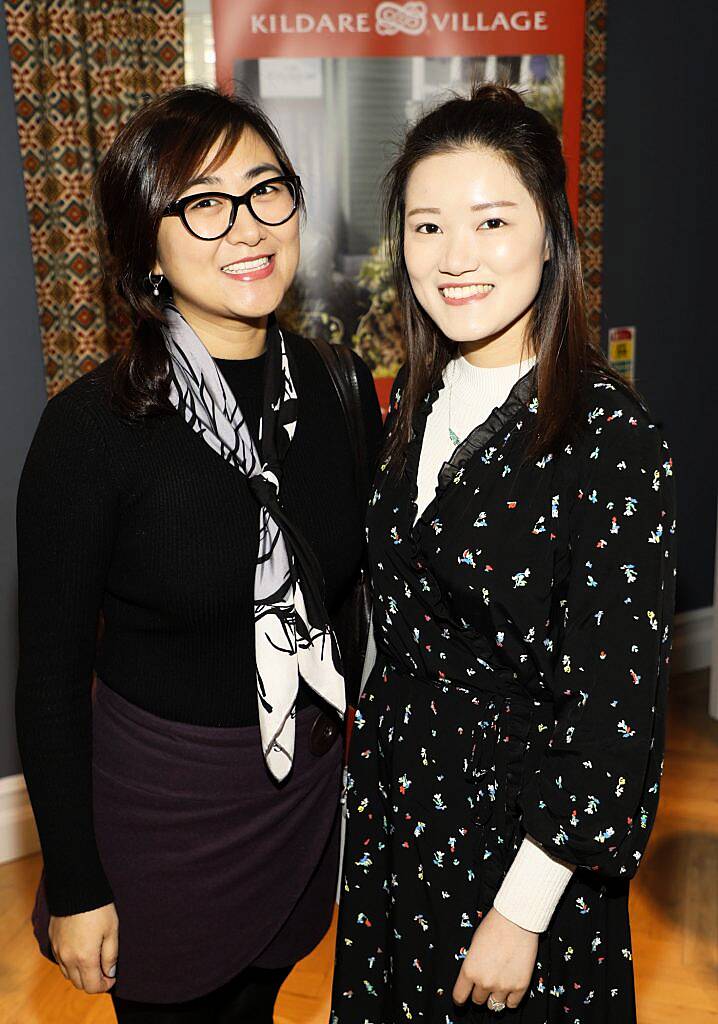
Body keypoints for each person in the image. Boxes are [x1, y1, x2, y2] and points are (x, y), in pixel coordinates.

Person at [16, 85, 382, 1023]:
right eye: (203, 204)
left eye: (267, 191)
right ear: (149, 245)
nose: (248, 228)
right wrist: (77, 880)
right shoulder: (89, 430)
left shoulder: (341, 388)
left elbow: (348, 600)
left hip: (298, 796)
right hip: (160, 820)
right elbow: (50, 682)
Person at [331, 83, 676, 1023]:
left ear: (552, 231)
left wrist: (523, 911)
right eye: (428, 226)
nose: (456, 258)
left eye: (490, 220)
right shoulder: (414, 402)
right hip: (401, 822)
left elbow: (617, 708)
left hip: (519, 854)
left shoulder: (612, 438)